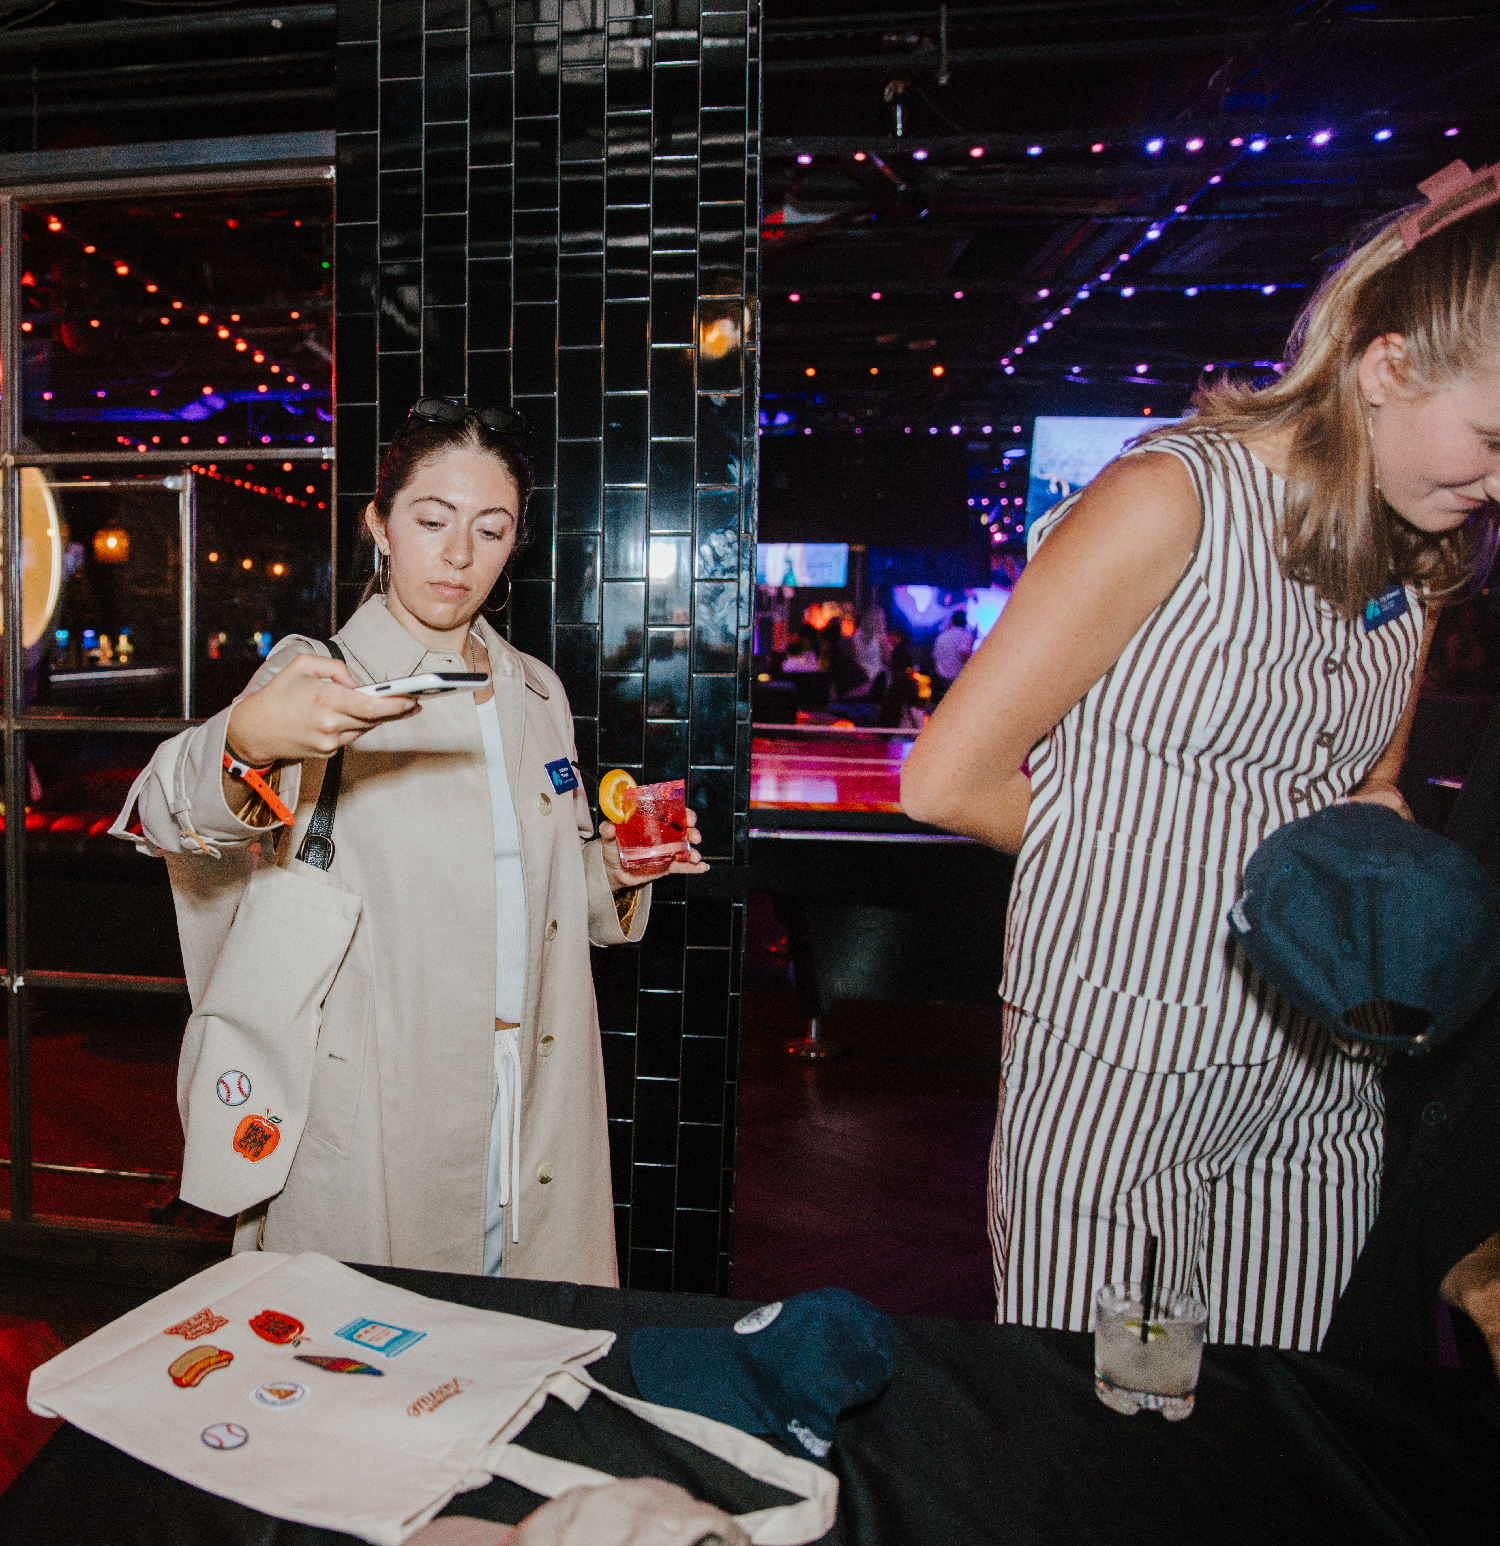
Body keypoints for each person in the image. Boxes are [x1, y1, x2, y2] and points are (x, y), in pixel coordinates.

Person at [902, 163, 1500, 1348]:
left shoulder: (1418, 553)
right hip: (1128, 1065)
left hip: (1320, 1076)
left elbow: (1369, 783)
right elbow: (946, 780)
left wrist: (1395, 905)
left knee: (1272, 1415)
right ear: (1386, 368)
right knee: (1123, 1411)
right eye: (1492, 435)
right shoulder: (1169, 498)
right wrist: (1209, 877)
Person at [117, 399, 706, 1285]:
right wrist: (247, 738)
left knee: (523, 1350)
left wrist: (618, 865)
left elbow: (547, 898)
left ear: (516, 545)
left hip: (535, 1096)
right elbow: (164, 815)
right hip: (381, 1108)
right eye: (432, 520)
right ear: (380, 524)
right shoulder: (317, 679)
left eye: (491, 528)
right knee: (373, 1366)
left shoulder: (537, 694)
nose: (459, 553)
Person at [930, 611, 974, 702]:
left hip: (938, 681)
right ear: (965, 622)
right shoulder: (965, 636)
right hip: (954, 683)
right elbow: (964, 655)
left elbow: (934, 658)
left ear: (952, 621)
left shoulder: (942, 636)